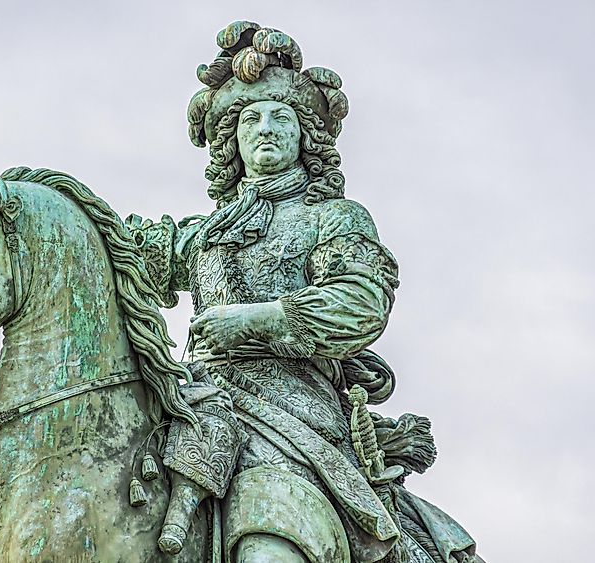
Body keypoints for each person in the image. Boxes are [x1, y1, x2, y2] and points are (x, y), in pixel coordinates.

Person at [128, 21, 477, 563]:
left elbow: (360, 302)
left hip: (291, 416)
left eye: (280, 116)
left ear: (304, 136)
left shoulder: (332, 219)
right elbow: (112, 253)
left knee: (268, 546)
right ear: (232, 140)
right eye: (250, 118)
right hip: (193, 408)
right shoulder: (196, 236)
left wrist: (254, 321)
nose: (265, 127)